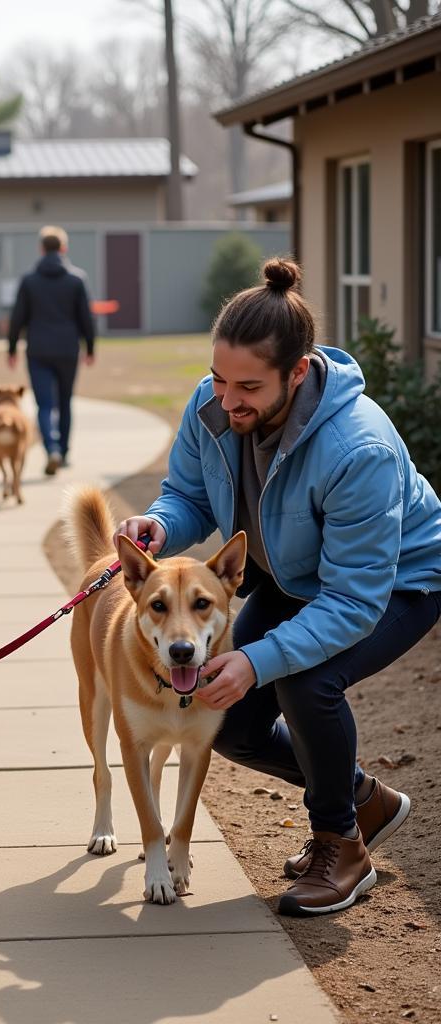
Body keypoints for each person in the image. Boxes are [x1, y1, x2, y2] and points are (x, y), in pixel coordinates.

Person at [116, 258, 441, 917]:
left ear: (298, 372)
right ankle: (361, 798)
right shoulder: (214, 404)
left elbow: (352, 601)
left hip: (396, 582)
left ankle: (342, 845)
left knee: (303, 678)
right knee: (227, 721)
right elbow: (188, 494)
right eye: (217, 379)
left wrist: (259, 657)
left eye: (248, 387)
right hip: (298, 573)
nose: (226, 400)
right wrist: (157, 523)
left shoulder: (359, 449)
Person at [7, 225, 96, 475]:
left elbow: (17, 317)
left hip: (38, 350)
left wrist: (12, 348)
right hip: (68, 349)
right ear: (63, 248)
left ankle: (51, 449)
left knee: (44, 404)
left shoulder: (29, 280)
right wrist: (90, 347)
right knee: (65, 401)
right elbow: (86, 318)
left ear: (41, 249)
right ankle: (64, 452)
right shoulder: (77, 279)